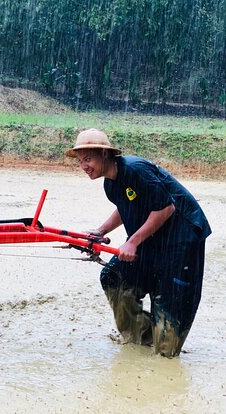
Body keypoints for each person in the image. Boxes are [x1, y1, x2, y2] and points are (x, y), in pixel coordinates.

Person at [66, 128, 211, 357]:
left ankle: (164, 342)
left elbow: (165, 207)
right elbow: (127, 207)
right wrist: (100, 231)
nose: (84, 165)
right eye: (81, 161)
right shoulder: (111, 183)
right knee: (113, 277)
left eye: (89, 158)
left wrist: (132, 242)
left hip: (181, 240)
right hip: (152, 239)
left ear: (105, 154)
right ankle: (140, 340)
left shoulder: (135, 169)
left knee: (167, 342)